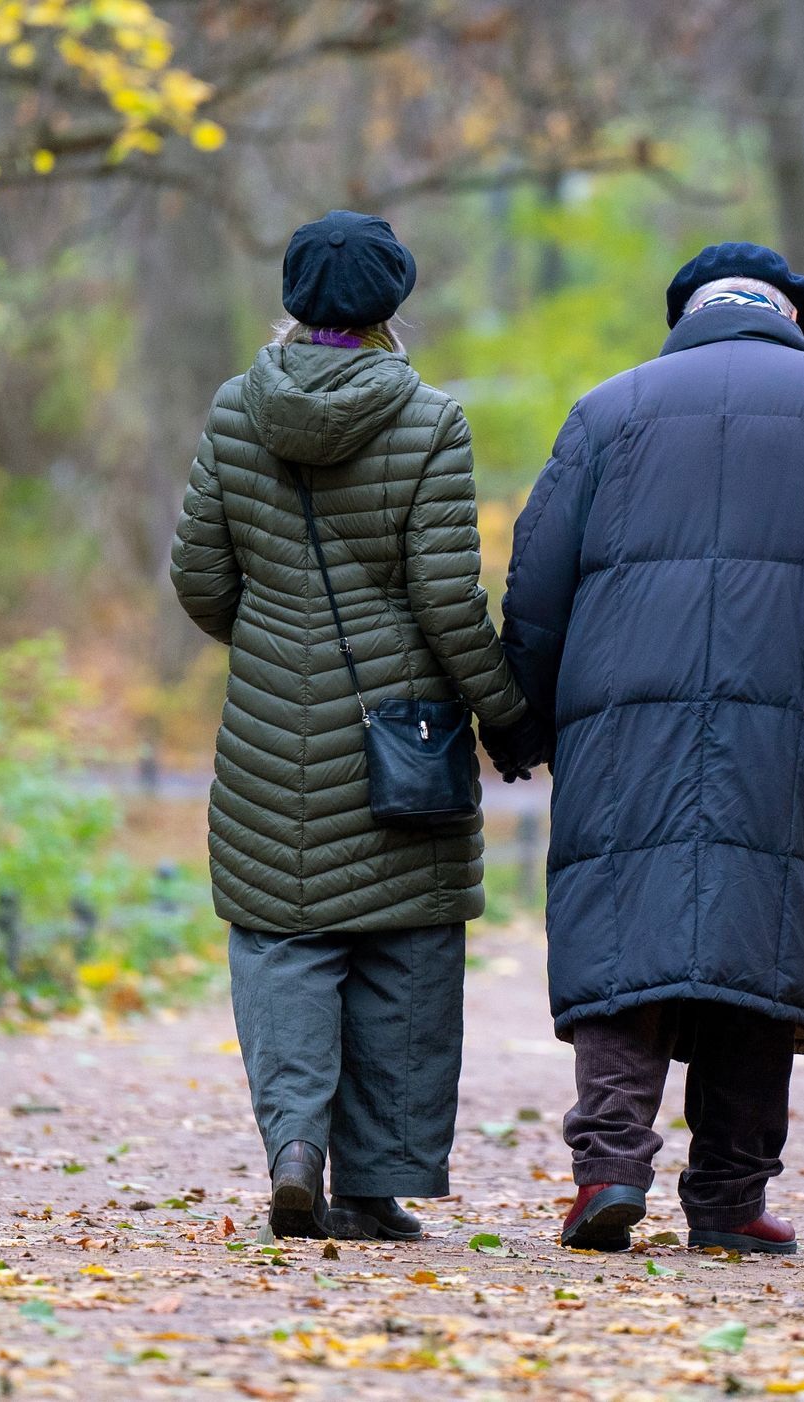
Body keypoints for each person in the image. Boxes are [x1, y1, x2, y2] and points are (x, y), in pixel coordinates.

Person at [490, 243, 804, 1254]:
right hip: (787, 725)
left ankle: (606, 1167)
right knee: (756, 932)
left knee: (622, 929)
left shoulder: (606, 410)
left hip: (621, 727)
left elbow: (536, 580)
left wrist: (517, 720)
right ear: (790, 317)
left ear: (684, 314)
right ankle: (727, 1198)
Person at [171, 210, 544, 1242]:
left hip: (264, 733)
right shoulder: (429, 419)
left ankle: (295, 1149)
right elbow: (442, 595)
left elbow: (199, 578)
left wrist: (269, 643)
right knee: (401, 952)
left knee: (284, 939)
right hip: (401, 737)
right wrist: (505, 715)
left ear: (293, 298)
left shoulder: (235, 409)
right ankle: (372, 1188)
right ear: (392, 303)